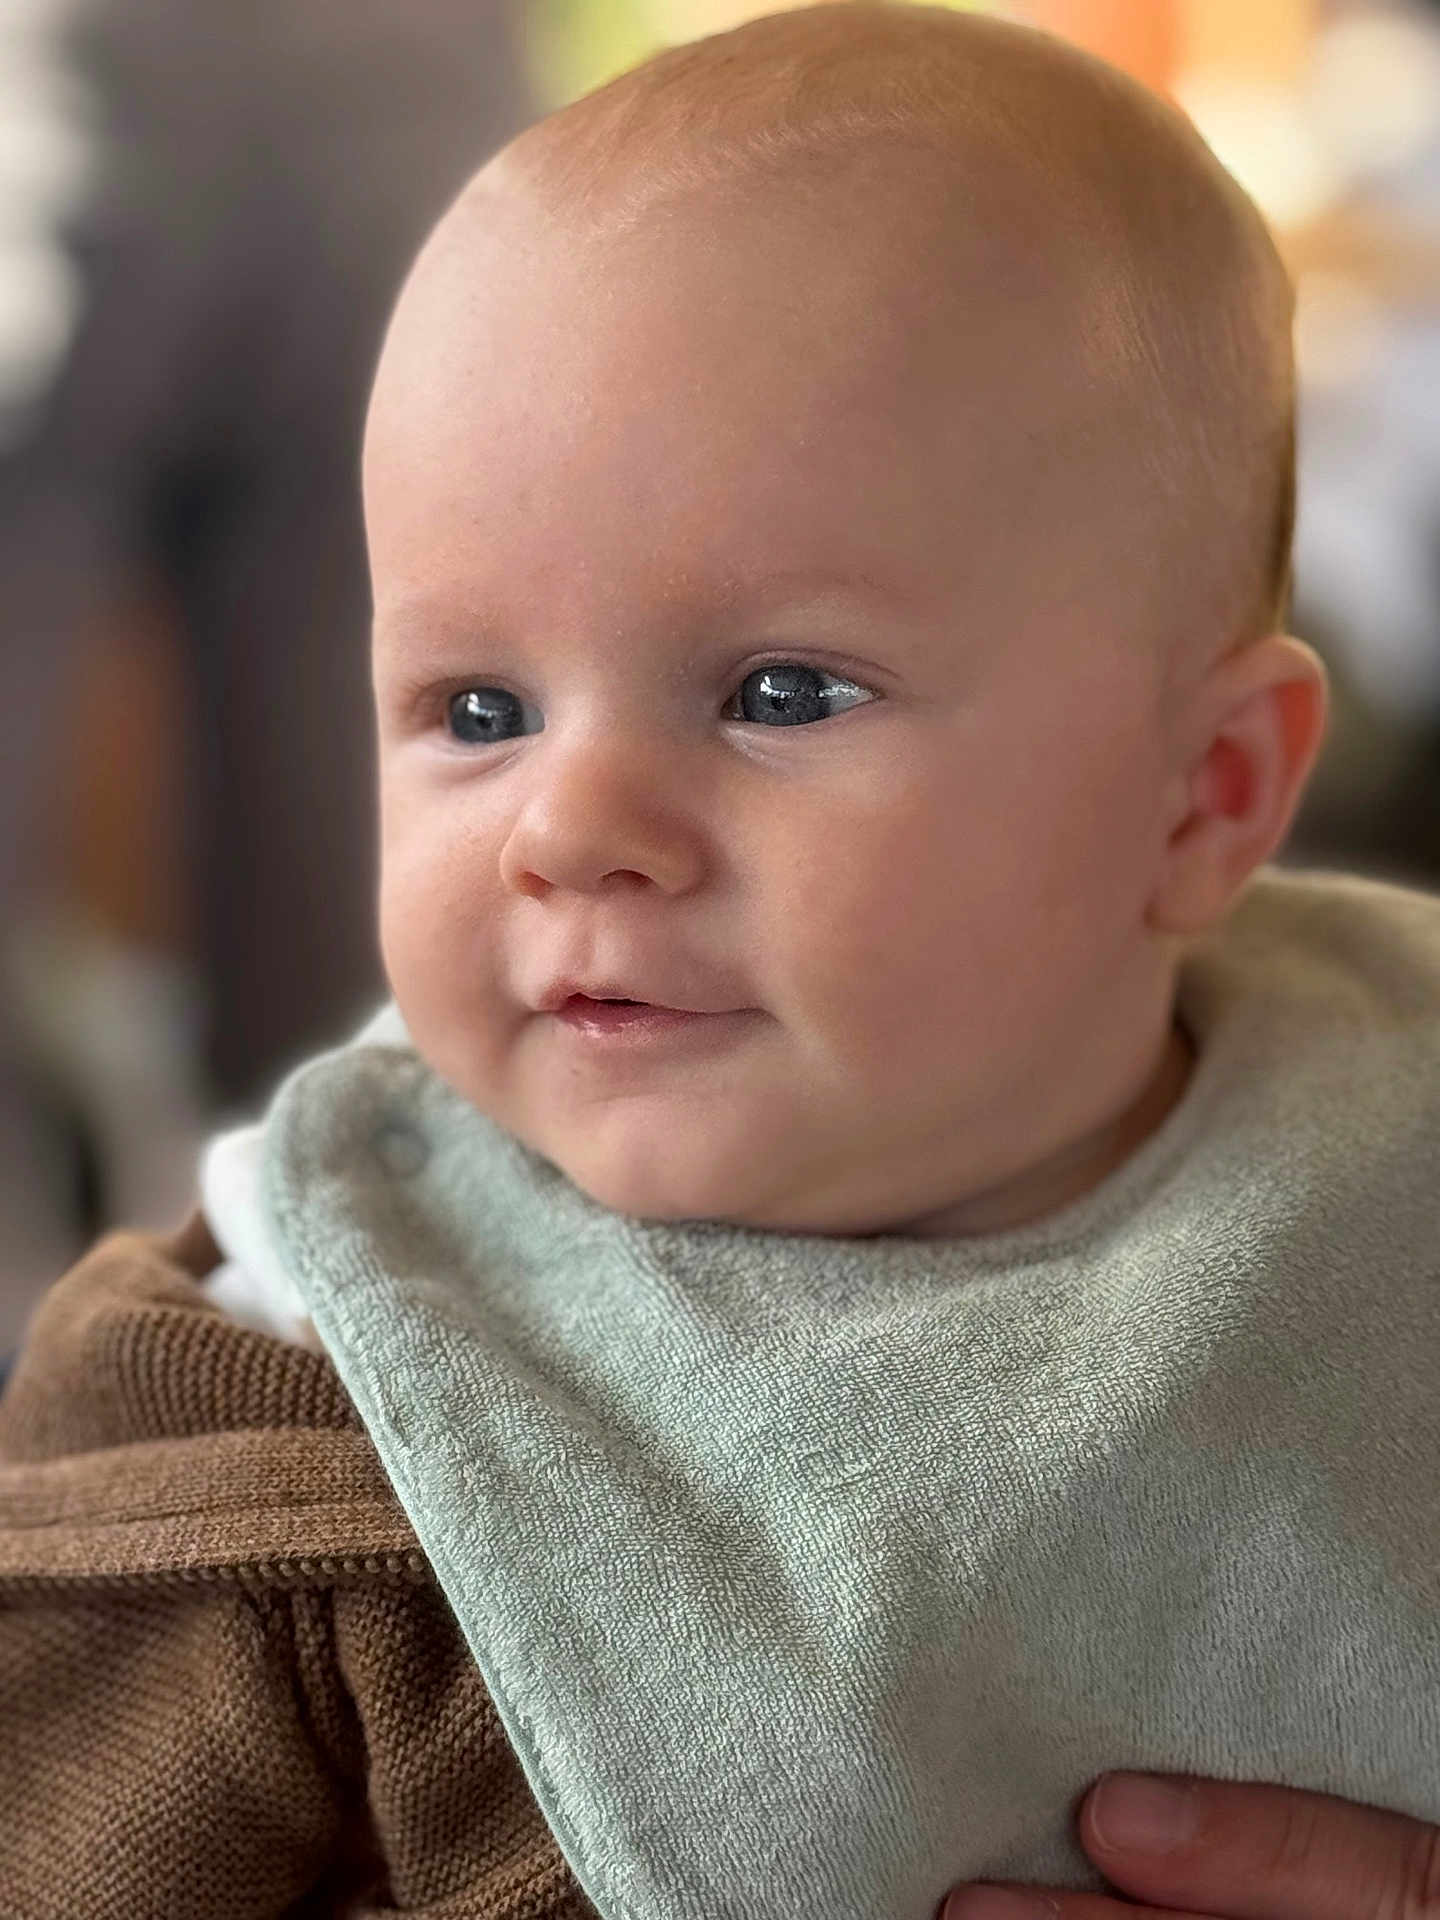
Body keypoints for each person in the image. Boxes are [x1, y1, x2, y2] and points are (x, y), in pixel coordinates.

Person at [0, 5, 1435, 1915]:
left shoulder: (1384, 1173)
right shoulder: (297, 1395)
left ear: (1205, 795)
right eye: (478, 705)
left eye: (780, 691)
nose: (568, 825)